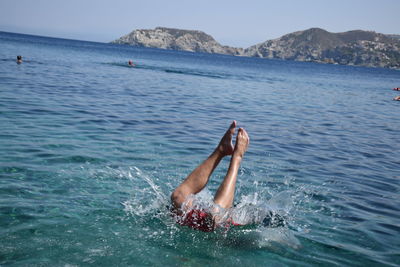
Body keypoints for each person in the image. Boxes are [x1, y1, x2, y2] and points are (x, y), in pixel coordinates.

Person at [170, 121, 249, 231]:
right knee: (177, 198)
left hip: (220, 228)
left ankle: (237, 157)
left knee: (214, 216)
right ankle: (222, 150)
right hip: (206, 226)